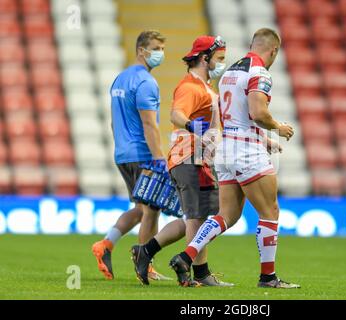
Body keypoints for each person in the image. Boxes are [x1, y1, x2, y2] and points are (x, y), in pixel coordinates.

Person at [169, 28, 300, 288]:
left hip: (226, 149)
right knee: (270, 210)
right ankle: (268, 277)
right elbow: (258, 112)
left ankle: (186, 256)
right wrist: (278, 128)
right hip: (247, 151)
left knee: (226, 215)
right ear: (273, 50)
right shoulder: (259, 71)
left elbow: (230, 114)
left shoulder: (229, 72)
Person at [130, 35, 233, 287]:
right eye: (219, 58)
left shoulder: (206, 88)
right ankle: (199, 273)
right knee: (200, 219)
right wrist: (190, 125)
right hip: (190, 158)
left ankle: (146, 251)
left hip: (198, 159)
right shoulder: (191, 87)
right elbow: (176, 114)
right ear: (204, 58)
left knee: (196, 219)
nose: (222, 64)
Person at [91, 30, 174, 281]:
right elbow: (149, 124)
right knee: (152, 210)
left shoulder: (120, 79)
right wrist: (160, 158)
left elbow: (114, 122)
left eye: (162, 48)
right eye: (156, 48)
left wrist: (121, 148)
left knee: (140, 209)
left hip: (123, 153)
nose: (161, 53)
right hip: (142, 152)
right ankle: (145, 266)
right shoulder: (146, 82)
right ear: (141, 50)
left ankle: (106, 244)